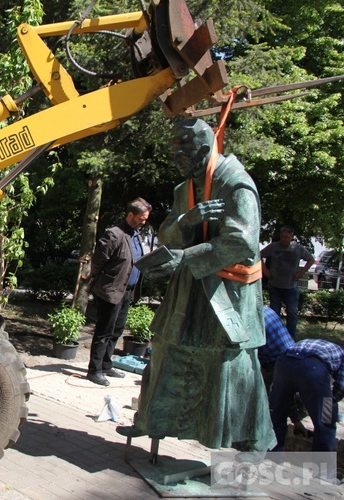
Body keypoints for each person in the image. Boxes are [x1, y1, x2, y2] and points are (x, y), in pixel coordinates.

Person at [118, 118, 275, 452]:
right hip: (188, 292)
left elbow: (242, 242)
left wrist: (187, 256)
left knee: (227, 366)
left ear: (204, 149)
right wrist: (186, 221)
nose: (175, 154)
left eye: (181, 147)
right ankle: (151, 421)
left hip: (227, 295)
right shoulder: (183, 190)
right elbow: (165, 234)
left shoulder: (236, 185)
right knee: (165, 350)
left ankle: (246, 442)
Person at [86, 198, 151, 386]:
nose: (143, 222)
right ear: (130, 215)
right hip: (110, 291)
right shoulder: (114, 234)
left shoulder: (136, 234)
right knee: (104, 331)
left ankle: (106, 363)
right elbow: (98, 261)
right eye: (141, 218)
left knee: (117, 329)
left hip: (126, 292)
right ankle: (94, 370)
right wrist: (98, 280)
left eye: (146, 219)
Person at [268, 338, 344, 452]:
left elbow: (288, 397)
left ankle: (273, 457)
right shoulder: (342, 356)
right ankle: (322, 467)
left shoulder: (325, 347)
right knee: (326, 420)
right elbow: (341, 387)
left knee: (277, 414)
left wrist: (296, 420)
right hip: (313, 368)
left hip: (284, 362)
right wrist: (329, 402)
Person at [259, 305, 308, 435]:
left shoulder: (256, 315)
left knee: (279, 403)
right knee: (326, 422)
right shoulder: (264, 310)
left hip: (279, 359)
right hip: (291, 355)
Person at [260, 226, 315, 338]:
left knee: (291, 312)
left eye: (287, 237)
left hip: (290, 287)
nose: (284, 239)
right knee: (275, 313)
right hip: (275, 285)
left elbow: (311, 259)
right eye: (282, 237)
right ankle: (275, 336)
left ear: (292, 236)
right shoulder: (274, 246)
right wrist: (265, 271)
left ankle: (290, 336)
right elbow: (259, 255)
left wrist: (301, 273)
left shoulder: (298, 248)